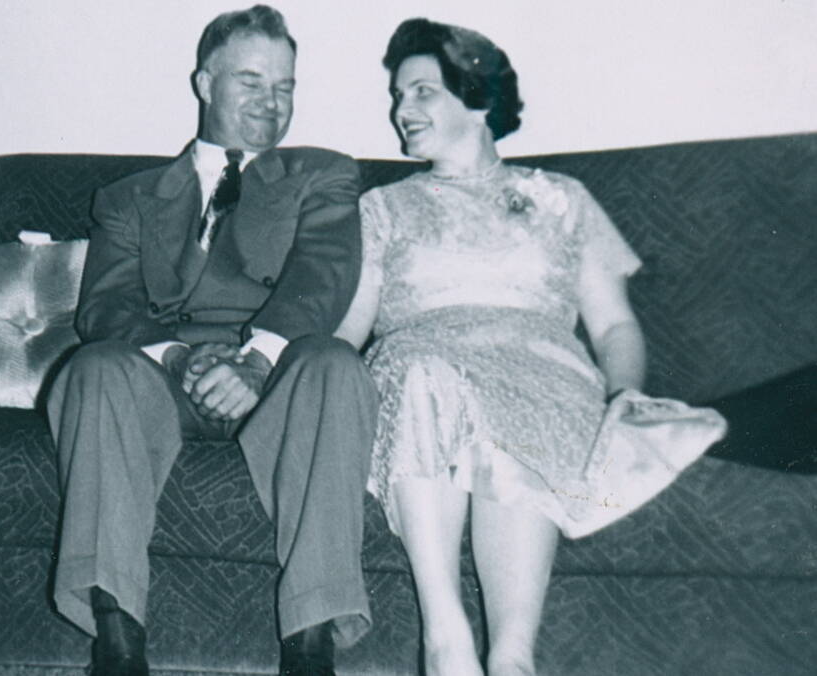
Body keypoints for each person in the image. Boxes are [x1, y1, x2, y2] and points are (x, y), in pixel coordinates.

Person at [335, 18, 726, 676]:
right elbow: (349, 328)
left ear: (478, 97)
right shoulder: (382, 208)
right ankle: (447, 640)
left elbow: (613, 327)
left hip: (541, 375)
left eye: (422, 91)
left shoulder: (561, 199)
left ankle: (512, 657)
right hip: (419, 376)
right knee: (429, 375)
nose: (401, 110)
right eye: (397, 96)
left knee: (515, 408)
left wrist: (622, 395)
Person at [46, 6, 377, 675]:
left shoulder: (323, 175)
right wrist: (179, 355)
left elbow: (320, 278)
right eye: (251, 82)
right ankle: (116, 643)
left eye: (284, 86)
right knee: (95, 365)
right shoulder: (129, 197)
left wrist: (255, 360)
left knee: (334, 363)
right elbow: (107, 304)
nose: (271, 102)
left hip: (279, 378)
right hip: (161, 378)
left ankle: (309, 650)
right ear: (204, 83)